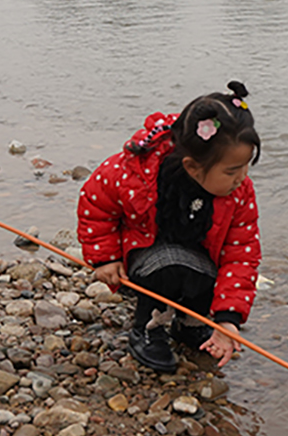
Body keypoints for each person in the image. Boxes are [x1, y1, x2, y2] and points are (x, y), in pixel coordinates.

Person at [78, 81, 262, 373]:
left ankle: (190, 323)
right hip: (148, 256)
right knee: (170, 266)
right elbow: (96, 202)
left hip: (201, 259)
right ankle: (149, 327)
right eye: (231, 171)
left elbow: (242, 253)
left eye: (246, 166)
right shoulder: (134, 172)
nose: (242, 178)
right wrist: (105, 258)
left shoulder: (239, 192)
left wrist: (228, 318)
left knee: (203, 273)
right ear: (192, 167)